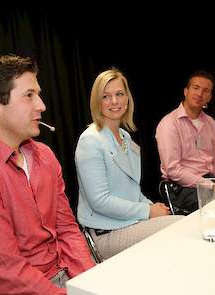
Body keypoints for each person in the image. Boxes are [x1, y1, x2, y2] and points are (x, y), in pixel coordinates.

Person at [0, 54, 95, 294]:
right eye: (29, 95)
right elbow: (6, 274)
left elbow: (68, 230)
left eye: (38, 94)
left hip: (61, 276)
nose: (42, 105)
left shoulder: (45, 155)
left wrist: (91, 283)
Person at [75, 68, 182, 260]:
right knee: (179, 227)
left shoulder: (125, 136)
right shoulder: (90, 140)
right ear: (97, 101)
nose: (114, 101)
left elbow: (131, 191)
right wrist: (148, 211)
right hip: (105, 232)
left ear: (127, 98)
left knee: (177, 223)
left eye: (119, 94)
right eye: (106, 96)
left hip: (129, 222)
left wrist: (152, 207)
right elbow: (100, 201)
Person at [155, 70, 215, 214]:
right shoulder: (169, 123)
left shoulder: (210, 122)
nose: (200, 94)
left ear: (210, 97)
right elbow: (173, 170)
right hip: (181, 187)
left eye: (206, 91)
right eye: (196, 88)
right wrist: (209, 185)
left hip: (210, 181)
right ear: (186, 91)